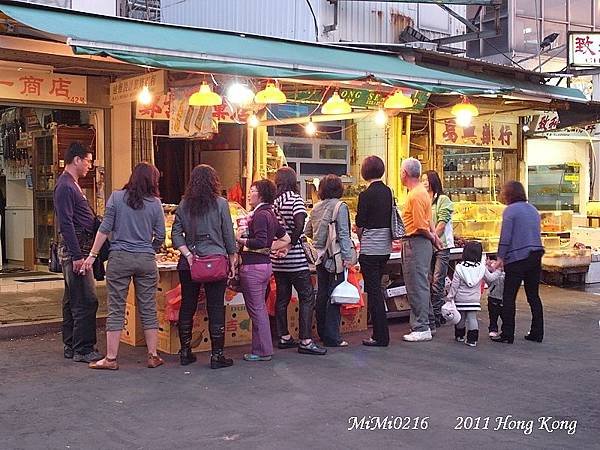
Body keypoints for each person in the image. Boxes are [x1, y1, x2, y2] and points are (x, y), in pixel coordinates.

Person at [84, 162, 165, 370]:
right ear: (152, 181)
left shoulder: (117, 198)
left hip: (119, 258)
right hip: (146, 259)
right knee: (148, 307)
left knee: (116, 308)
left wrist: (93, 255)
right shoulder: (155, 204)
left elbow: (104, 229)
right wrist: (150, 249)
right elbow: (161, 236)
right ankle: (153, 355)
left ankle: (110, 359)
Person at [172, 165, 238, 368]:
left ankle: (185, 351)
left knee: (188, 305)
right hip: (215, 262)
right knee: (216, 307)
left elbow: (175, 234)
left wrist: (189, 255)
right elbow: (228, 234)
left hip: (190, 264)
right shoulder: (221, 204)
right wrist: (233, 259)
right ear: (213, 182)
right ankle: (217, 355)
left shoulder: (184, 205)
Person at [54, 142, 102, 363]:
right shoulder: (65, 186)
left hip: (79, 248)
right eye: (88, 161)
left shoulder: (71, 184)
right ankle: (83, 348)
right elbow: (66, 223)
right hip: (77, 250)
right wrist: (77, 256)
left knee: (72, 298)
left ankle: (71, 344)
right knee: (85, 299)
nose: (89, 166)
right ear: (76, 160)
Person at [272, 167, 326, 355]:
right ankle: (305, 339)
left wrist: (281, 246)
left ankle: (284, 336)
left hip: (277, 259)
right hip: (294, 258)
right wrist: (290, 245)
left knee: (282, 298)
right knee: (307, 296)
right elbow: (300, 224)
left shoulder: (274, 202)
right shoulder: (295, 200)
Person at [236, 179, 290, 361]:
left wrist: (241, 240)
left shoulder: (259, 215)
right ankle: (261, 348)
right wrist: (269, 248)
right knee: (259, 308)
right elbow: (286, 239)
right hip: (265, 265)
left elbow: (259, 240)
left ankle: (263, 350)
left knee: (257, 309)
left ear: (261, 195)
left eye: (252, 191)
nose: (249, 194)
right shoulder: (270, 214)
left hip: (253, 267)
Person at [491, 181, 545, 344]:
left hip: (517, 257)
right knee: (533, 295)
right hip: (535, 255)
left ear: (509, 194)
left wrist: (500, 257)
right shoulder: (533, 210)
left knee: (509, 296)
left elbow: (506, 237)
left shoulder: (510, 211)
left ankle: (507, 333)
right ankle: (537, 332)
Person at [305, 174, 353, 348]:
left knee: (322, 293)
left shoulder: (316, 208)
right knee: (335, 296)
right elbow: (343, 234)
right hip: (335, 257)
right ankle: (333, 336)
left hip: (319, 257)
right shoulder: (340, 207)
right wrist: (348, 257)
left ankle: (322, 332)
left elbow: (307, 232)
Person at [400, 158, 442, 342]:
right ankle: (429, 323)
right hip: (422, 243)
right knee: (422, 284)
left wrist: (433, 237)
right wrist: (435, 237)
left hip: (416, 242)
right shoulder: (423, 193)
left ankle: (421, 327)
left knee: (416, 286)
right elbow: (428, 221)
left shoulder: (415, 195)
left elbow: (419, 225)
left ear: (405, 174)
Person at [356, 156, 393, 347]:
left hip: (370, 249)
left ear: (365, 172)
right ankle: (381, 333)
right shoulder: (389, 192)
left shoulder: (365, 195)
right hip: (385, 248)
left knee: (375, 292)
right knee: (378, 288)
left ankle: (380, 336)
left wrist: (362, 239)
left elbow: (360, 224)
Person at [446, 241, 500, 347]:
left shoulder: (459, 268)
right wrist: (498, 271)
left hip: (460, 298)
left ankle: (460, 336)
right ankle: (472, 339)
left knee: (460, 318)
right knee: (472, 318)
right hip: (474, 300)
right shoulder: (481, 268)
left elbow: (455, 285)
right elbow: (490, 278)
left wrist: (450, 297)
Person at [422, 170, 454, 328]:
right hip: (427, 244)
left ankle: (436, 315)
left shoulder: (443, 199)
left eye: (426, 180)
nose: (424, 182)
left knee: (437, 281)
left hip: (441, 246)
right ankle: (431, 315)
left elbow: (442, 221)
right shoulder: (423, 200)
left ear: (433, 181)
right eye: (422, 180)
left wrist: (434, 237)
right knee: (427, 280)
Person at [487, 266, 505, 338]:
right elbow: (488, 280)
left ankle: (505, 330)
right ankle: (493, 329)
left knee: (505, 316)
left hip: (505, 297)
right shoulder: (492, 271)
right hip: (493, 296)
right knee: (493, 315)